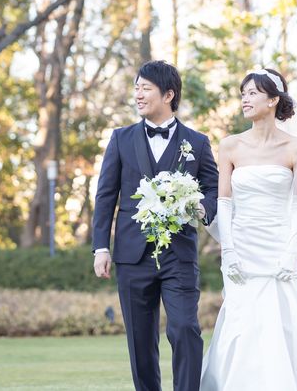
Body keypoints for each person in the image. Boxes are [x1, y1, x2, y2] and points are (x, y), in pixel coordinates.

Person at [200, 68, 297, 390]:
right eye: (243, 94)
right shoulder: (230, 146)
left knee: (282, 317)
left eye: (252, 93)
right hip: (242, 246)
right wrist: (228, 250)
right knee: (241, 319)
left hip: (278, 246)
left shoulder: (295, 148)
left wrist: (291, 251)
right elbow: (225, 203)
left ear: (273, 100)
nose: (245, 99)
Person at [92, 60, 218, 391]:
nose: (138, 94)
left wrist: (201, 206)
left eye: (145, 88)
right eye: (136, 88)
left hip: (179, 254)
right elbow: (106, 196)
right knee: (140, 340)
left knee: (185, 328)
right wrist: (101, 247)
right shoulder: (120, 139)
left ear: (168, 94)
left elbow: (214, 189)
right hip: (132, 255)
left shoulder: (197, 143)